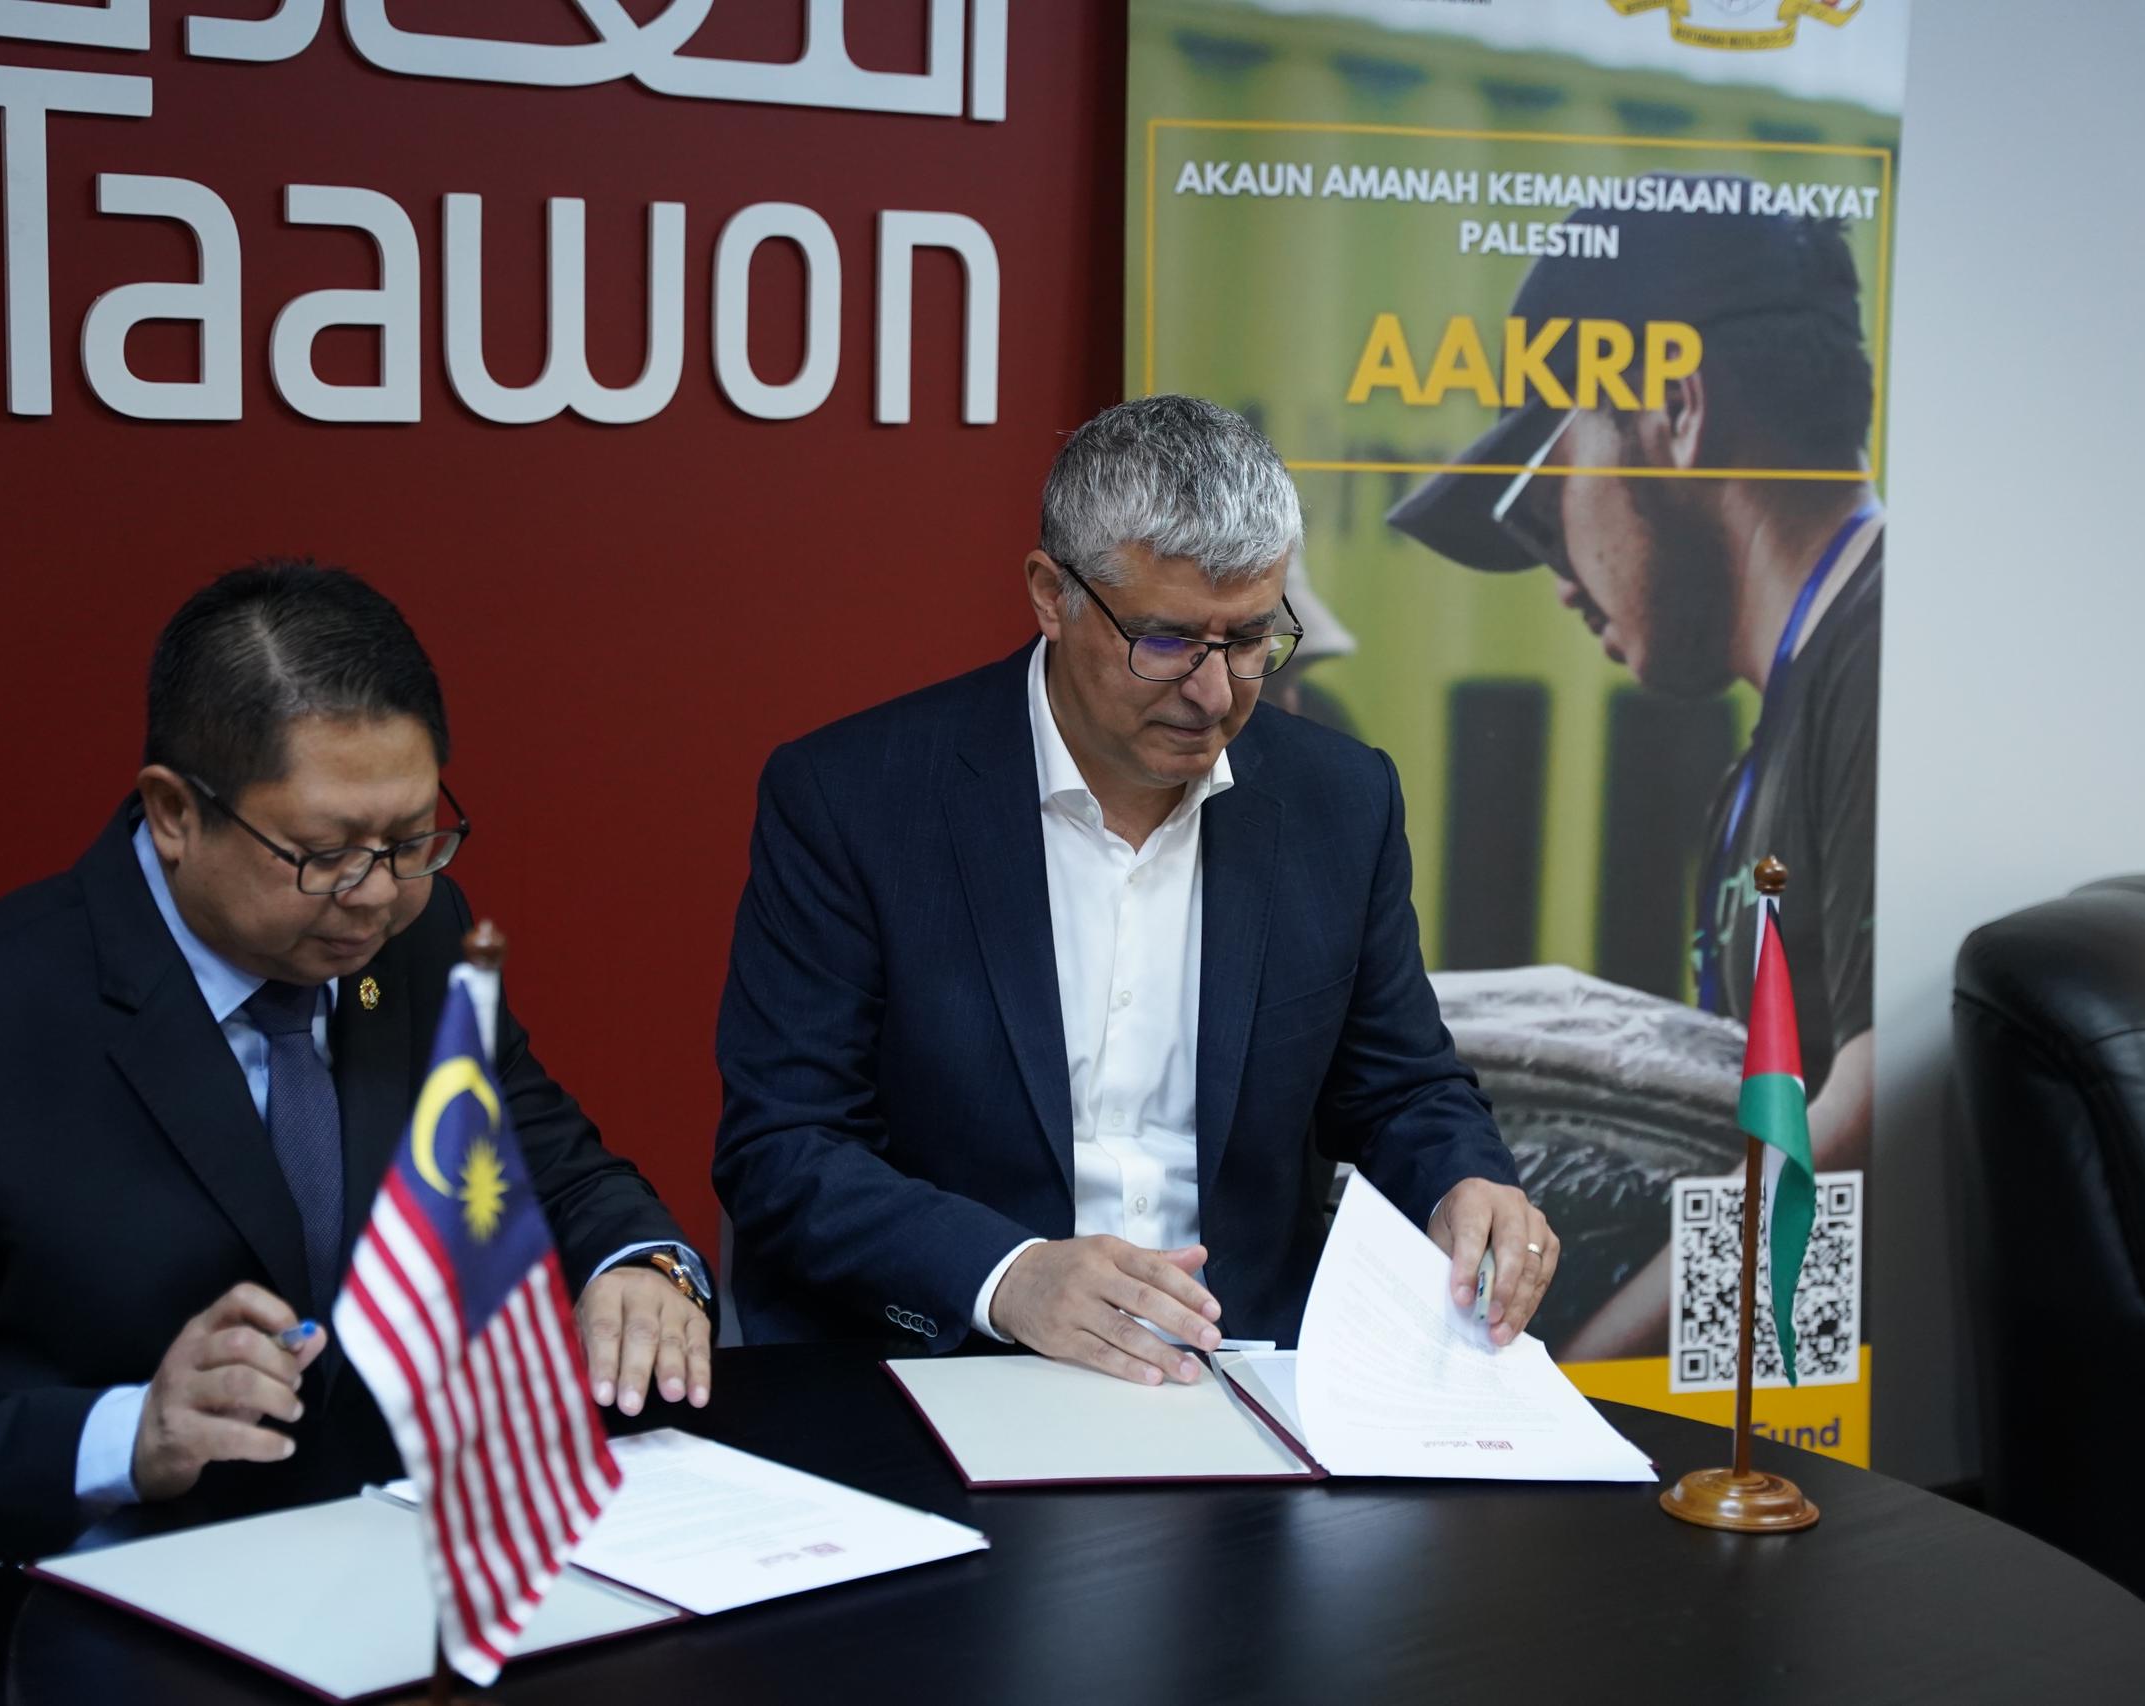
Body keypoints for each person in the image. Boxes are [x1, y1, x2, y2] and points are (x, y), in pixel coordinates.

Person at [0, 561, 713, 1687]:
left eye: (414, 837)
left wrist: (640, 1262)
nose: (376, 894)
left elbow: (544, 1156)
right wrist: (127, 1434)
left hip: (398, 1582)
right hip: (89, 1624)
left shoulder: (415, 938)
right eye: (325, 854)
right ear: (174, 813)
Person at [714, 395, 1559, 1384]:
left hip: (1242, 1376)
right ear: (1051, 594)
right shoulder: (856, 799)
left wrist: (1465, 1182)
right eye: (1166, 641)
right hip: (950, 1365)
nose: (1214, 692)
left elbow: (1401, 1086)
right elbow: (785, 1144)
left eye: (1250, 640)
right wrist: (1009, 1275)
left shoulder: (1339, 800)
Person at [1389, 181, 1880, 1360]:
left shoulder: (1884, 657)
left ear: (1675, 409)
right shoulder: (1786, 723)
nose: (1559, 580)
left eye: (1542, 507)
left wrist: (1587, 1380)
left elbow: (1878, 1103)